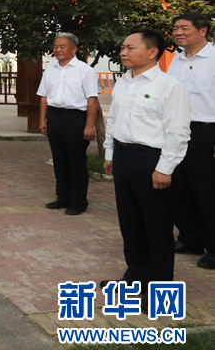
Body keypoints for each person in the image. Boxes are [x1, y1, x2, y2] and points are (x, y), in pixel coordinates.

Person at [103, 29, 190, 288]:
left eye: (130, 48)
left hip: (152, 161)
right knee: (130, 224)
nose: (123, 52)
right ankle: (135, 278)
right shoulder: (123, 82)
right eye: (123, 47)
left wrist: (164, 168)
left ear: (152, 52)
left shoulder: (170, 86)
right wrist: (110, 153)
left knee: (157, 227)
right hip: (124, 158)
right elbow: (114, 120)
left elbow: (178, 132)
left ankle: (160, 288)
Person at [167, 12, 215, 268]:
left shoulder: (214, 59)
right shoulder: (176, 59)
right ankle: (190, 238)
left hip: (206, 132)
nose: (178, 32)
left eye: (184, 28)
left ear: (203, 30)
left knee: (207, 192)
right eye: (175, 28)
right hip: (177, 130)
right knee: (179, 189)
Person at [37, 33, 99, 216]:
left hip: (76, 118)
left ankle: (79, 201)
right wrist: (43, 120)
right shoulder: (50, 70)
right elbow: (44, 97)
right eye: (56, 46)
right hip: (55, 116)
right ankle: (62, 197)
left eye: (62, 46)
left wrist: (89, 125)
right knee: (59, 159)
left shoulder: (85, 70)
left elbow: (92, 100)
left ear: (74, 49)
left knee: (76, 160)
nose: (58, 49)